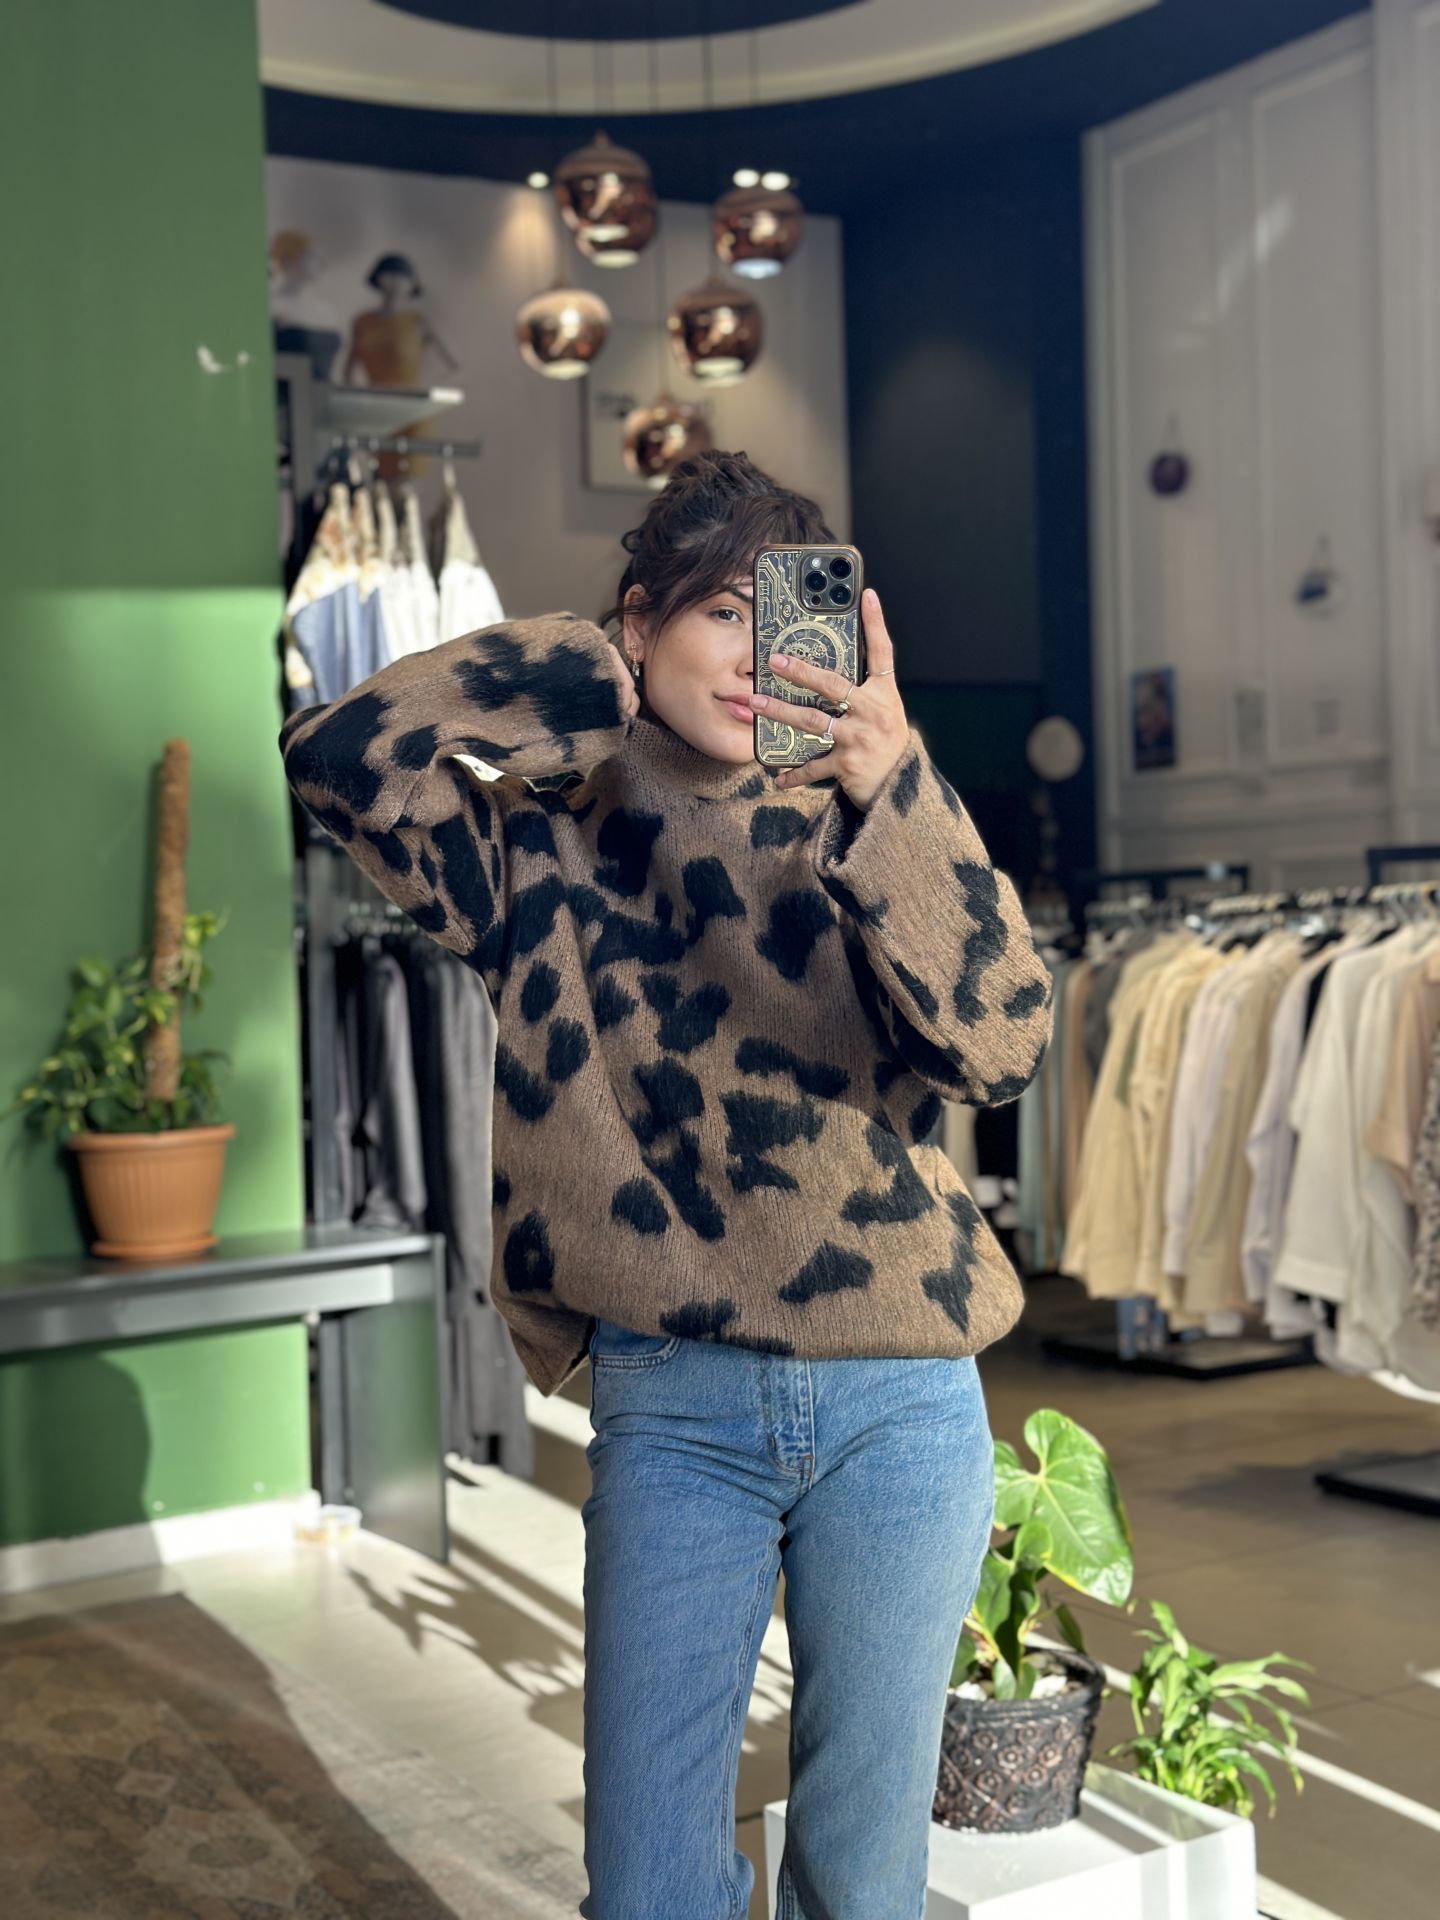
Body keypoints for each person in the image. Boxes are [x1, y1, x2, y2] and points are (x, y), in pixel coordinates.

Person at [279, 449, 1052, 1918]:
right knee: (644, 1887)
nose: (760, 659)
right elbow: (338, 760)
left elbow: (1002, 1044)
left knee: (863, 1876)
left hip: (901, 1396)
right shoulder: (540, 840)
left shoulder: (866, 814)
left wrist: (894, 785)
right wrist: (581, 669)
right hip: (677, 1405)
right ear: (640, 621)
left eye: (787, 618)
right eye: (720, 614)